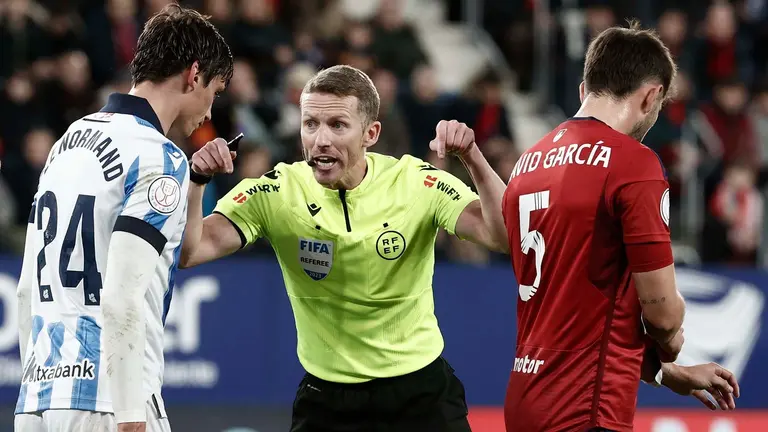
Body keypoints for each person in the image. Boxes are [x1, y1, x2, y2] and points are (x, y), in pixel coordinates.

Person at [179, 64, 509, 431]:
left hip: (421, 395)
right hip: (327, 402)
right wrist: (196, 181)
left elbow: (502, 236)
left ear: (371, 133)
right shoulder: (277, 191)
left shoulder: (415, 183)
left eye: (337, 125)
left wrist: (472, 156)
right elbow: (191, 251)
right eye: (311, 124)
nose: (321, 139)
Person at [501, 22, 739, 432]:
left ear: (584, 90)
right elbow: (662, 315)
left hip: (525, 401)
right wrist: (671, 334)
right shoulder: (633, 162)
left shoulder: (528, 164)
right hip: (585, 410)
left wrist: (668, 374)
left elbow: (580, 314)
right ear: (651, 96)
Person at [14, 5, 233, 432]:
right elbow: (120, 296)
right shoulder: (159, 156)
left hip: (39, 396)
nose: (210, 111)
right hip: (109, 398)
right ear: (194, 75)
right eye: (216, 90)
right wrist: (131, 413)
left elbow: (26, 290)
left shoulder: (67, 141)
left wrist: (31, 396)